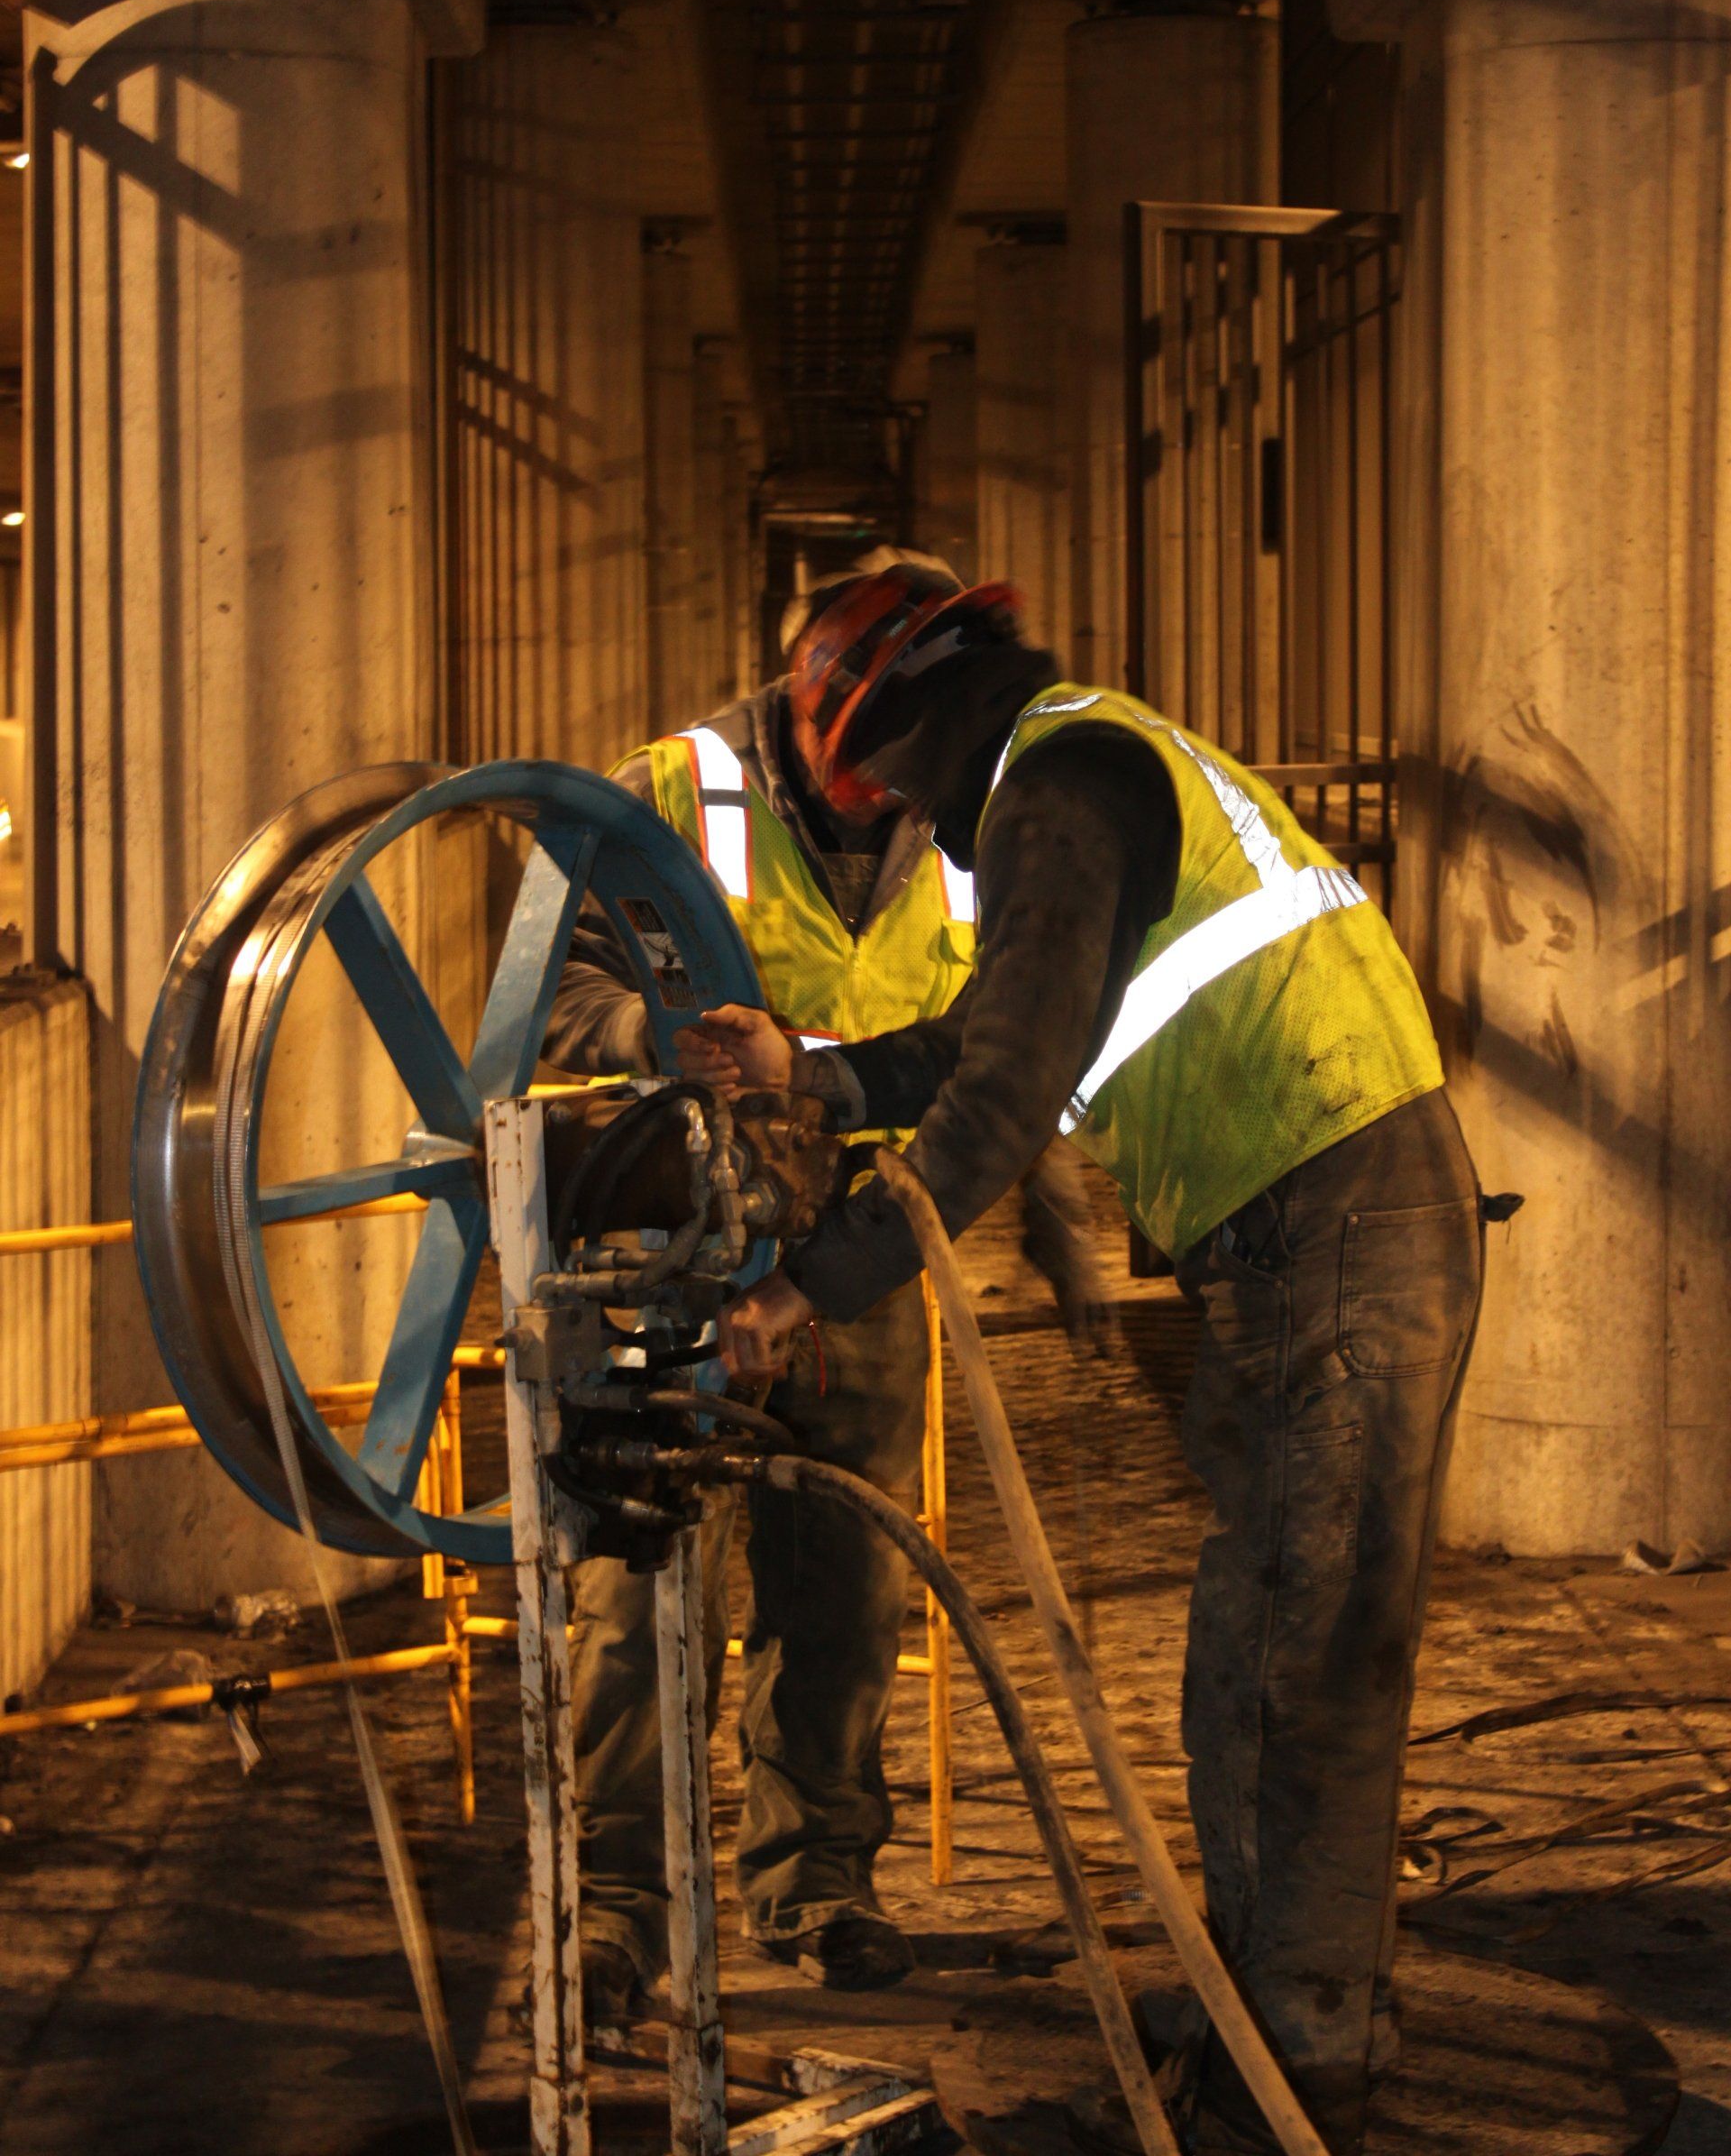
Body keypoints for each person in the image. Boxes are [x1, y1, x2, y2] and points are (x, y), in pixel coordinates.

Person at [686, 568, 1487, 2156]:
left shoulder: (1055, 794)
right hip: (1308, 1226)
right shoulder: (1081, 765)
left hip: (1331, 1224)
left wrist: (801, 1294)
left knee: (1302, 1663)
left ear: (914, 725)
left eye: (889, 781)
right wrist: (813, 1074)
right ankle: (1263, 2004)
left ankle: (1297, 2067)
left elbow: (997, 1103)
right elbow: (1004, 1028)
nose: (903, 817)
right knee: (1254, 1649)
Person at [542, 555, 1100, 2017]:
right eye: (870, 773)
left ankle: (818, 1885)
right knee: (640, 1594)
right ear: (811, 713)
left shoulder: (970, 811)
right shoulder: (672, 793)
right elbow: (554, 992)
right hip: (675, 1250)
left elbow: (1006, 1041)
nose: (891, 798)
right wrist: (653, 1037)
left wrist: (1053, 1222)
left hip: (861, 1253)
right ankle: (620, 1910)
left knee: (843, 1596)